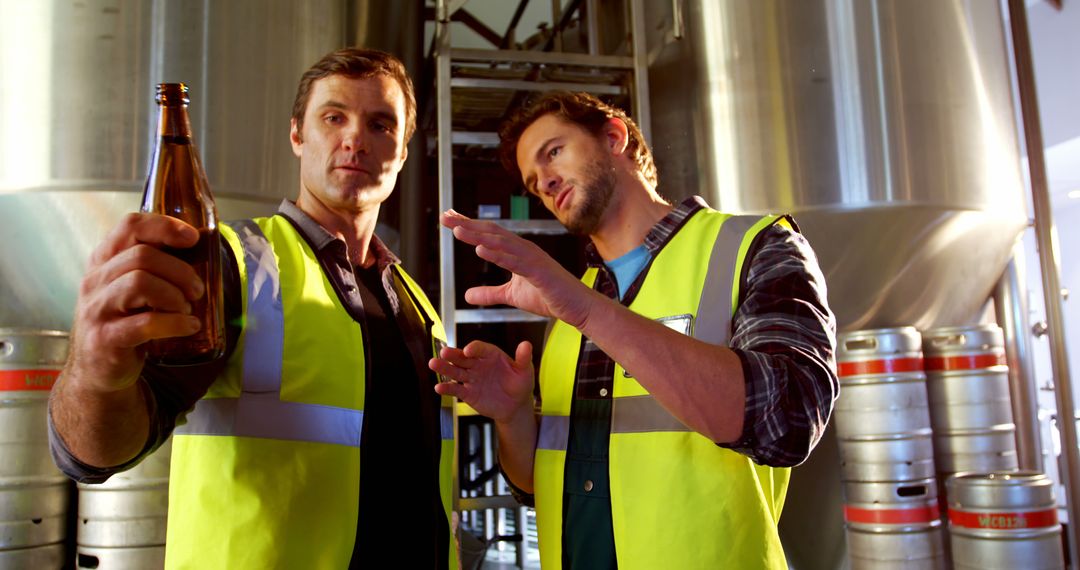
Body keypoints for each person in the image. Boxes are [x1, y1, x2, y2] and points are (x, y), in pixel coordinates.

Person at [49, 48, 458, 569]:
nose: (355, 138)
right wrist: (95, 374)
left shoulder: (415, 302)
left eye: (380, 124)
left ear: (401, 152)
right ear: (297, 135)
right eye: (333, 117)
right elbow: (96, 452)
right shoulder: (230, 265)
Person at [429, 91, 838, 569]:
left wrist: (589, 311)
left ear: (613, 136)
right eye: (534, 181)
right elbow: (539, 487)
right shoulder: (569, 299)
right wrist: (513, 416)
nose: (546, 182)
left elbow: (787, 422)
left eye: (554, 152)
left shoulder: (754, 246)